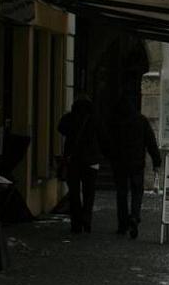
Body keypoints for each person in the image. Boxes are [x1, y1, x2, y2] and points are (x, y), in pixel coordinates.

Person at [106, 95, 162, 238]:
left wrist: (110, 156)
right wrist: (156, 161)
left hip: (119, 163)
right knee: (137, 191)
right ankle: (134, 216)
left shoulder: (115, 121)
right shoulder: (141, 120)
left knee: (121, 193)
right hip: (136, 163)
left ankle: (122, 224)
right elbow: (151, 142)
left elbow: (108, 141)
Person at [58, 94, 102, 235]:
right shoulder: (94, 119)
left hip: (74, 161)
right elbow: (103, 137)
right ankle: (87, 220)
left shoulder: (70, 118)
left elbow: (60, 128)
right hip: (91, 162)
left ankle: (76, 224)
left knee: (74, 193)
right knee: (89, 193)